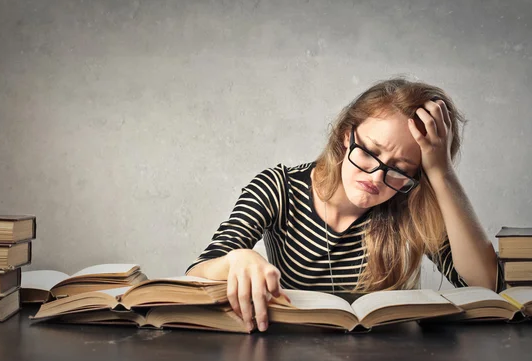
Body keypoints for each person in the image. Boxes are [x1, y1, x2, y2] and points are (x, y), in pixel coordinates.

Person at [186, 77, 505, 332]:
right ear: (345, 136)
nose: (376, 178)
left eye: (400, 169)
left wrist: (441, 172)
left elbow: (486, 286)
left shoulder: (410, 202)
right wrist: (237, 260)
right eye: (368, 152)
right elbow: (197, 275)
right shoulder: (280, 187)